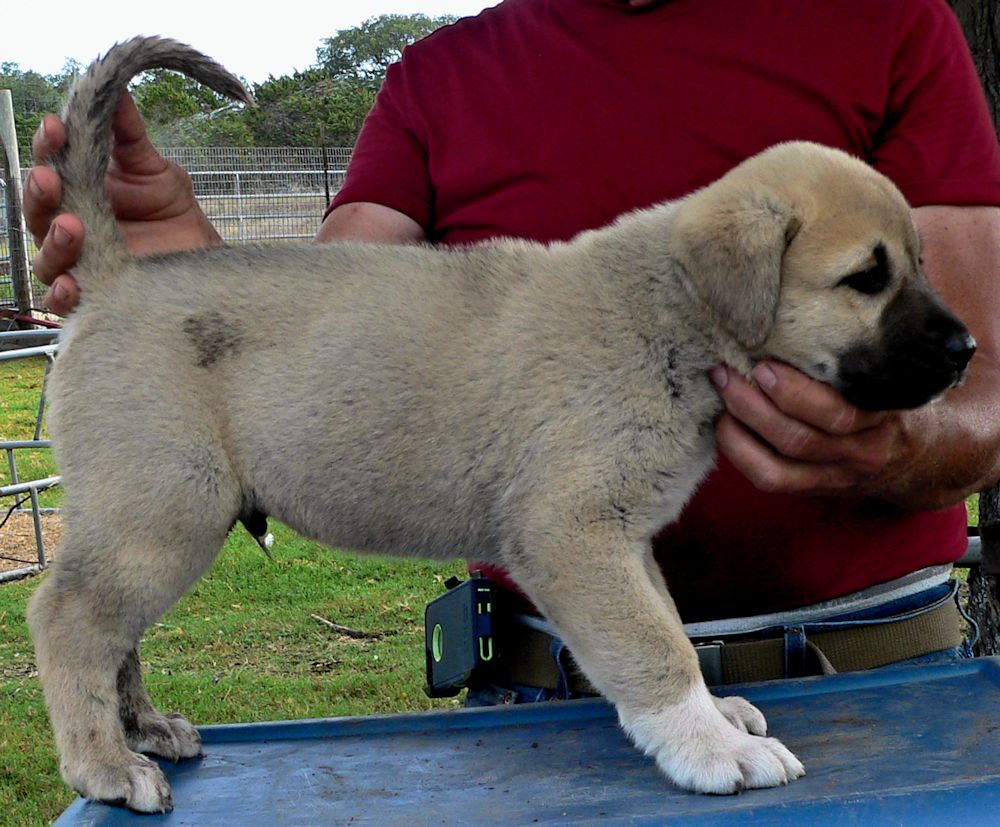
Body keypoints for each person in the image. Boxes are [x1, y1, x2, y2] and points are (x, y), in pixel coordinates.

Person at [27, 0, 1000, 695]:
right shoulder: (436, 80)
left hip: (868, 678)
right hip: (546, 693)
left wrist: (902, 444)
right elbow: (315, 353)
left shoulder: (886, 24)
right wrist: (185, 287)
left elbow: (988, 386)